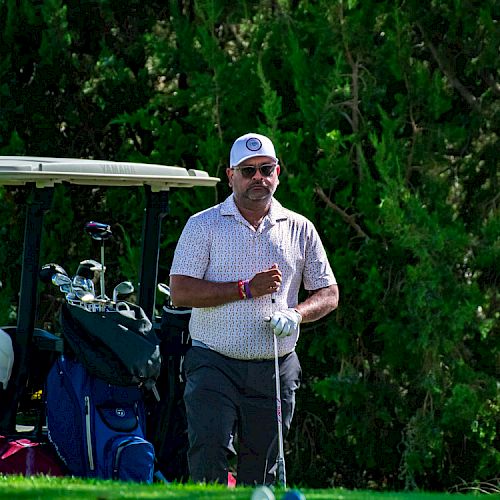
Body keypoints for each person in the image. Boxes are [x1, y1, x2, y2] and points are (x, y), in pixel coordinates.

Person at [169, 132, 339, 485]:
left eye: (265, 169)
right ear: (231, 176)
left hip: (275, 368)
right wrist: (245, 289)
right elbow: (180, 292)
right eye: (248, 171)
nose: (257, 178)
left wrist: (297, 314)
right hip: (214, 361)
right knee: (210, 449)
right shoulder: (204, 225)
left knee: (262, 470)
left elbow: (328, 292)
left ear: (278, 172)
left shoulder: (300, 228)